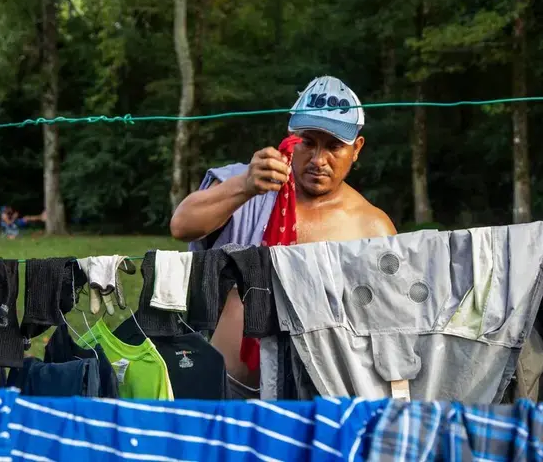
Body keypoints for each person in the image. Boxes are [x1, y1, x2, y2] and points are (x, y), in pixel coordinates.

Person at [170, 76, 397, 397]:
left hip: (322, 390)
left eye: (333, 146)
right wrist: (245, 186)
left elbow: (385, 325)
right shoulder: (250, 183)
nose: (319, 160)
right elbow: (182, 226)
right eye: (308, 142)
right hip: (227, 387)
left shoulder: (372, 227)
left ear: (356, 148)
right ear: (290, 137)